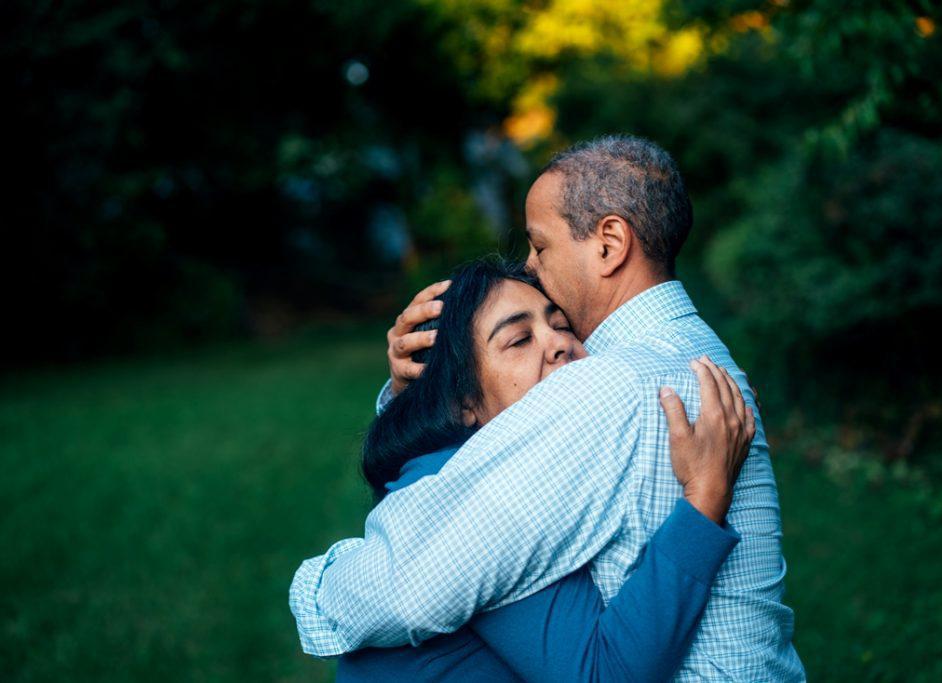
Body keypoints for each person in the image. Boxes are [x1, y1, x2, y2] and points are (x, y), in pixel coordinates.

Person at [291, 135, 805, 680]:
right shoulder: (696, 354)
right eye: (519, 338)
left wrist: (318, 588)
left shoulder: (609, 385)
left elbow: (408, 585)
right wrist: (417, 388)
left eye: (540, 246)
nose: (532, 268)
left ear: (609, 243)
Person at [327, 257, 753, 681]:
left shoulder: (478, 463)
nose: (558, 343)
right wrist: (704, 497)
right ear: (463, 403)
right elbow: (603, 674)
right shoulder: (483, 499)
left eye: (561, 324)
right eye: (519, 340)